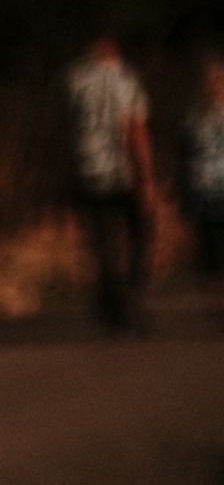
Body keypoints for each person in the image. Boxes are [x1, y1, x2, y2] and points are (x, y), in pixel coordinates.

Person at [63, 38, 156, 330]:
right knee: (140, 231)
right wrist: (145, 176)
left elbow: (66, 131)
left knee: (102, 239)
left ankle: (109, 297)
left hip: (88, 172)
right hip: (122, 171)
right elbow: (134, 129)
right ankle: (132, 291)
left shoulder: (73, 82)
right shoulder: (125, 80)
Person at [179, 56, 224, 287]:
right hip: (204, 189)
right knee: (210, 248)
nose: (214, 88)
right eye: (210, 83)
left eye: (219, 82)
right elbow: (185, 155)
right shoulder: (193, 117)